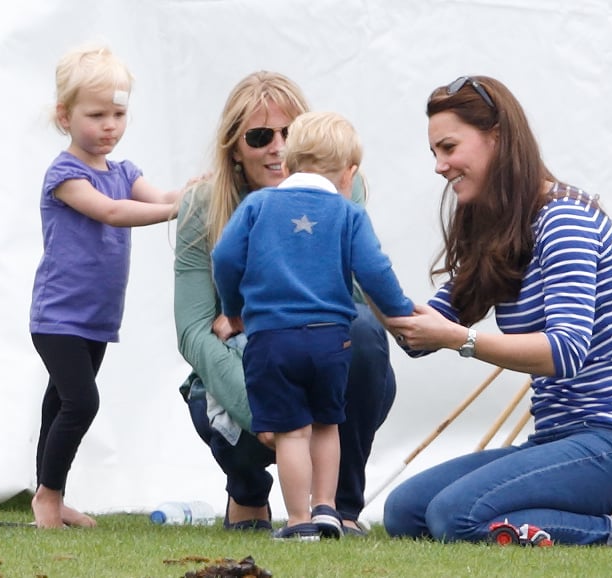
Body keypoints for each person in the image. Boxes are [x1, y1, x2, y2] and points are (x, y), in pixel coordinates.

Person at [380, 75, 612, 546]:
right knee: (404, 512)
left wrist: (460, 340)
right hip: (558, 441)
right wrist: (352, 268)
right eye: (434, 153)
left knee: (454, 518)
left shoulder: (565, 219)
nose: (439, 166)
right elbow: (424, 329)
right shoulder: (501, 229)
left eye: (449, 147)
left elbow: (564, 352)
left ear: (496, 136)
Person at [174, 71, 399, 537]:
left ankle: (337, 507)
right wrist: (262, 412)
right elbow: (194, 330)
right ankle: (248, 487)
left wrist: (402, 317)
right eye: (260, 136)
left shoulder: (342, 190)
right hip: (240, 359)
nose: (277, 147)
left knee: (361, 338)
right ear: (234, 148)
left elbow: (360, 298)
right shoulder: (203, 202)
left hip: (312, 349)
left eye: (289, 133)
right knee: (260, 393)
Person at [29, 45, 180, 528]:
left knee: (59, 404)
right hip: (58, 317)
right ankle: (47, 499)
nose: (110, 125)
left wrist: (204, 188)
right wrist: (175, 210)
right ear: (64, 116)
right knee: (81, 402)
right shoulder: (65, 175)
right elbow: (114, 213)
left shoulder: (125, 172)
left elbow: (162, 197)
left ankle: (50, 497)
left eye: (118, 113)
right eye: (96, 115)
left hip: (96, 319)